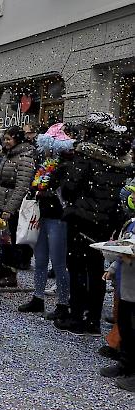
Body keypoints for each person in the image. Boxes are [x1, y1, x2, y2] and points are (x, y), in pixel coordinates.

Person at [54, 112, 133, 336]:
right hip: (106, 218)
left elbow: (70, 187)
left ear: (91, 130)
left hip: (82, 216)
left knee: (78, 266)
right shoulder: (120, 155)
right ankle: (94, 320)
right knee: (96, 267)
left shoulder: (85, 154)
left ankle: (78, 315)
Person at [18, 128, 75, 319]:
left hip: (58, 217)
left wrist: (46, 190)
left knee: (59, 262)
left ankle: (63, 302)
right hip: (42, 214)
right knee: (40, 259)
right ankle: (38, 297)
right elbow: (36, 184)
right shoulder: (44, 164)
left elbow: (66, 193)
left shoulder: (67, 166)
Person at [98, 181, 135, 391]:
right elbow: (124, 247)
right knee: (126, 325)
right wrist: (113, 267)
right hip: (127, 284)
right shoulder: (130, 222)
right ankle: (126, 363)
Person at [0, 126, 36, 287]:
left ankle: (10, 273)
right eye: (5, 139)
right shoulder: (9, 155)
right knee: (3, 240)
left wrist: (10, 208)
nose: (6, 142)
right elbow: (0, 181)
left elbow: (22, 186)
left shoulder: (25, 158)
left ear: (17, 139)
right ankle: (3, 270)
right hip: (1, 202)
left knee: (11, 242)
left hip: (11, 206)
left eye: (9, 139)